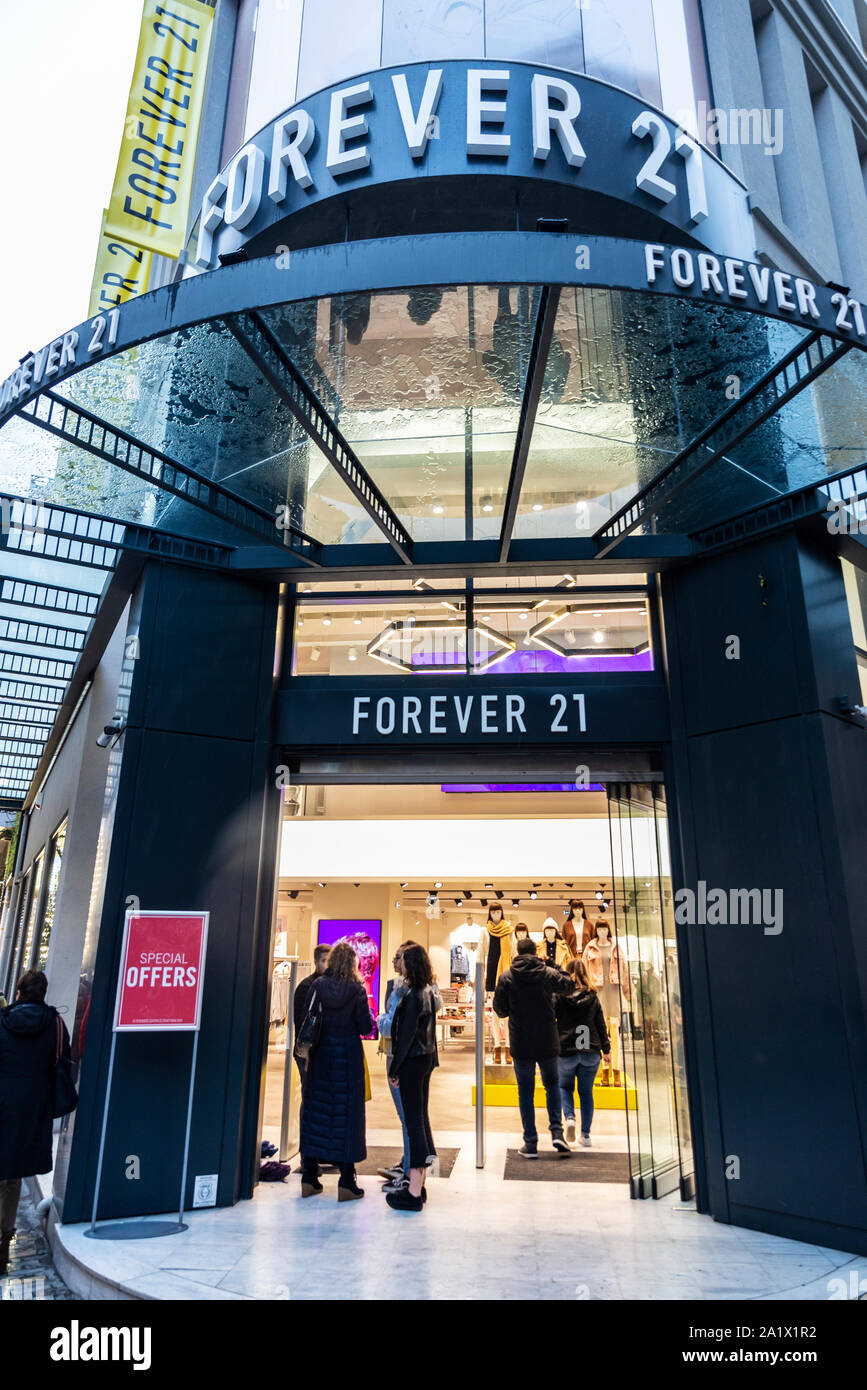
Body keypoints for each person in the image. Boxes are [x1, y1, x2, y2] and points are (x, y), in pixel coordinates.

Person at [0, 970, 70, 1275]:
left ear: (18, 991)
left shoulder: (2, 1020)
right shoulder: (55, 1024)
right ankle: (3, 1242)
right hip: (32, 1106)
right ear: (43, 993)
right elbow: (63, 1061)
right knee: (12, 1174)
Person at [298, 941, 374, 1202]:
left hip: (320, 1059)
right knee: (347, 1116)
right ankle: (346, 1181)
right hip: (348, 1061)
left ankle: (309, 1177)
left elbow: (308, 1019)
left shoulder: (318, 986)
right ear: (353, 963)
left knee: (315, 1112)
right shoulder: (356, 989)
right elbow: (365, 1026)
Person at [492, 937, 573, 1158]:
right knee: (552, 1085)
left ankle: (531, 1142)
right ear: (535, 952)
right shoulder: (547, 973)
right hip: (547, 1038)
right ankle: (557, 1132)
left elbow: (500, 1010)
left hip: (521, 1041)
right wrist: (553, 965)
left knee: (525, 1093)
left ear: (518, 952)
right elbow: (569, 985)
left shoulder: (507, 977)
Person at [386, 944, 438, 1212]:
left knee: (415, 1123)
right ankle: (420, 1184)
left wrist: (395, 1068)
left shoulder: (413, 996)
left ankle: (414, 1191)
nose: (400, 963)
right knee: (420, 1121)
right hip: (424, 1061)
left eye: (404, 959)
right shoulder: (427, 992)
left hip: (412, 1063)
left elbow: (405, 1037)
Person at [555, 957, 611, 1146]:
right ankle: (585, 1136)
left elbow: (550, 1020)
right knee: (586, 1093)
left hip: (566, 1049)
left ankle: (569, 1118)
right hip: (590, 1049)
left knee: (565, 1088)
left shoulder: (560, 997)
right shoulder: (593, 996)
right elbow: (600, 1025)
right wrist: (607, 1050)